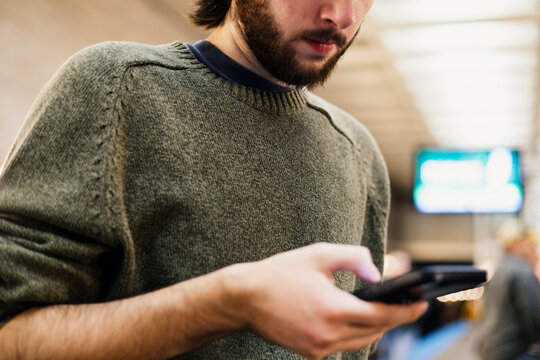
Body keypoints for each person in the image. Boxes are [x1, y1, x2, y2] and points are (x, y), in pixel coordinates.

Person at [0, 0, 427, 359]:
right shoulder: (117, 88)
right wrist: (228, 302)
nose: (343, 16)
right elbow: (10, 336)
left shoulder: (358, 151)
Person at [475, 219, 540, 360]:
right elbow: (534, 318)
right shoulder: (522, 272)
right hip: (513, 351)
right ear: (515, 244)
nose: (533, 248)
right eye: (529, 243)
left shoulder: (498, 271)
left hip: (490, 349)